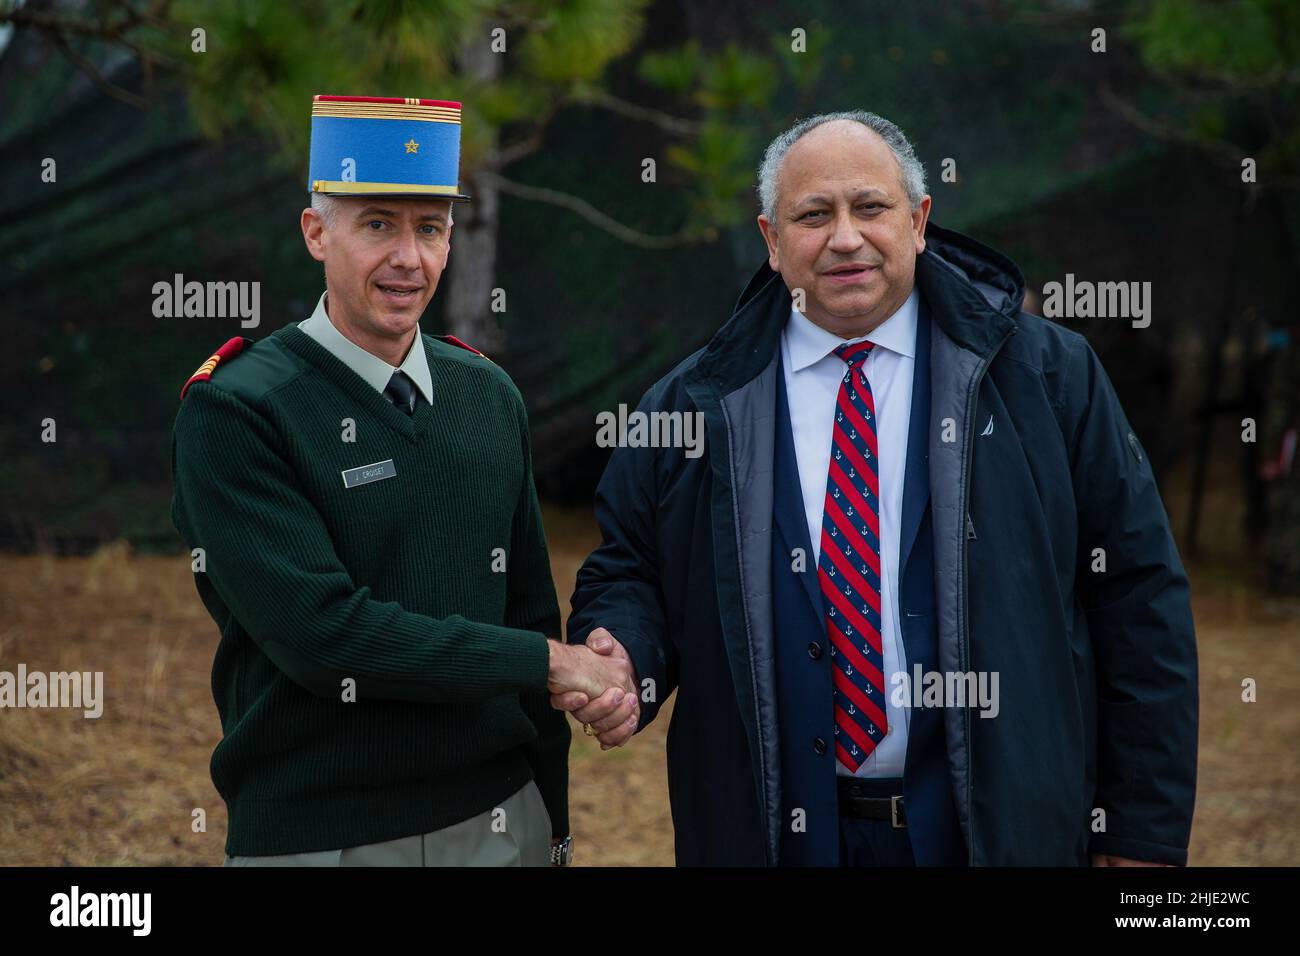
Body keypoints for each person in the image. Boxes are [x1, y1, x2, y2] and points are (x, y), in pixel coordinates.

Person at [561, 110, 1198, 866]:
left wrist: (1139, 834)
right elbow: (629, 567)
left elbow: (1138, 598)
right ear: (770, 241)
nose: (845, 237)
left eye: (870, 207)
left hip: (999, 834)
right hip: (775, 839)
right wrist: (625, 650)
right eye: (813, 215)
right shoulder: (691, 405)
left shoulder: (1048, 379)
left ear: (920, 221)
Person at [170, 94, 635, 867]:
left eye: (430, 227)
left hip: (500, 824)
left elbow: (527, 611)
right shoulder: (236, 410)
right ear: (317, 233)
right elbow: (326, 636)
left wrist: (552, 821)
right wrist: (550, 662)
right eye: (377, 223)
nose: (408, 258)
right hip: (325, 839)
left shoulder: (488, 396)